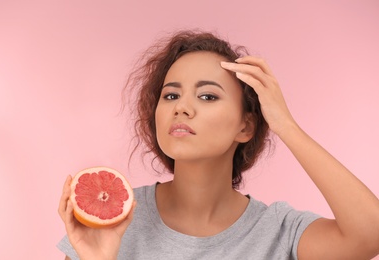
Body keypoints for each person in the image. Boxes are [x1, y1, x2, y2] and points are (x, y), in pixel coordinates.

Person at [58, 30, 379, 259]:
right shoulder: (111, 222)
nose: (181, 107)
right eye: (170, 95)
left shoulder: (278, 232)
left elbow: (370, 234)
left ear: (246, 125)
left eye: (207, 95)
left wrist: (285, 124)